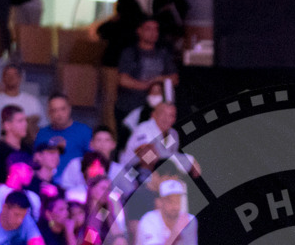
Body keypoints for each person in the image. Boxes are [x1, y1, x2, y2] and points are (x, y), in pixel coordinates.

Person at [115, 18, 177, 147]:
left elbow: (175, 79)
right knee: (130, 144)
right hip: (130, 107)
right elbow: (123, 79)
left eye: (156, 29)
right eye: (148, 29)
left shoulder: (163, 54)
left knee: (159, 144)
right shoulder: (130, 53)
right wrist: (148, 85)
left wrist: (158, 80)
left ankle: (154, 164)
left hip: (156, 110)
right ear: (139, 31)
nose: (153, 32)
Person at [134, 177, 196, 245]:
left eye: (178, 200)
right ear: (159, 202)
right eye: (170, 201)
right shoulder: (149, 220)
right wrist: (175, 233)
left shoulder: (189, 220)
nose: (175, 206)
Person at [120, 102, 199, 176]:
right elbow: (147, 158)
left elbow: (172, 155)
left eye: (171, 115)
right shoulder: (144, 129)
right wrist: (186, 160)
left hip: (160, 172)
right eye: (163, 114)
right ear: (153, 115)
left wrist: (188, 161)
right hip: (131, 173)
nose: (166, 119)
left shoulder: (173, 134)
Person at [33, 94, 93, 180]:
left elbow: (92, 160)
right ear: (48, 112)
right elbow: (36, 162)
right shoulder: (42, 133)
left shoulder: (84, 131)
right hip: (47, 183)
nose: (59, 114)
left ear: (69, 109)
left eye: (63, 109)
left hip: (75, 184)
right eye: (54, 110)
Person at [59, 126, 123, 196]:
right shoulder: (76, 164)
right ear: (91, 144)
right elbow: (65, 188)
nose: (102, 144)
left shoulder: (119, 169)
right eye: (98, 140)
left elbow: (125, 192)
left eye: (107, 140)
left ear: (113, 145)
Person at [0, 65, 43, 141]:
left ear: (20, 78)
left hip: (25, 147)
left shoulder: (32, 101)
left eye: (15, 75)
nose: (11, 77)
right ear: (2, 78)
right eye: (7, 74)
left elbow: (40, 127)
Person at [0, 105, 30, 192]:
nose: (25, 124)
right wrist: (9, 187)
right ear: (7, 125)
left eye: (25, 120)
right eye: (20, 121)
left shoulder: (28, 149)